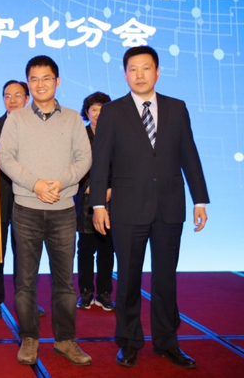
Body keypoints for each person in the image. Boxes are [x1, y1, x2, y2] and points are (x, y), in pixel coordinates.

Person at [90, 46, 209, 369]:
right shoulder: (112, 111)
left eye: (146, 68)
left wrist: (199, 199)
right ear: (125, 74)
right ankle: (129, 342)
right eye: (133, 69)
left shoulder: (176, 108)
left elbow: (189, 155)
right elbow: (100, 161)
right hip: (127, 208)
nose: (139, 75)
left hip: (169, 206)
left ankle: (167, 342)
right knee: (128, 278)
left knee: (165, 279)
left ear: (157, 72)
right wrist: (98, 203)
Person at [0, 55, 92, 366]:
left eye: (46, 78)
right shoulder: (16, 119)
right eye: (34, 79)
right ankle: (29, 338)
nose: (40, 84)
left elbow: (84, 159)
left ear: (57, 81)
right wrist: (36, 184)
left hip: (63, 210)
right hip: (26, 209)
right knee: (25, 281)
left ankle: (65, 340)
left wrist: (60, 183)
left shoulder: (73, 119)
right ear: (28, 84)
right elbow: (5, 158)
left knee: (65, 282)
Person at [75, 92, 115, 311]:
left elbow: (123, 165)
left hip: (111, 199)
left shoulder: (117, 134)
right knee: (86, 249)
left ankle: (105, 293)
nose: (98, 114)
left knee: (107, 249)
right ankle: (86, 291)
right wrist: (86, 185)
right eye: (94, 109)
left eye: (102, 109)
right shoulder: (79, 135)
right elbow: (73, 164)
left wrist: (112, 188)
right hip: (86, 200)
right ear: (87, 112)